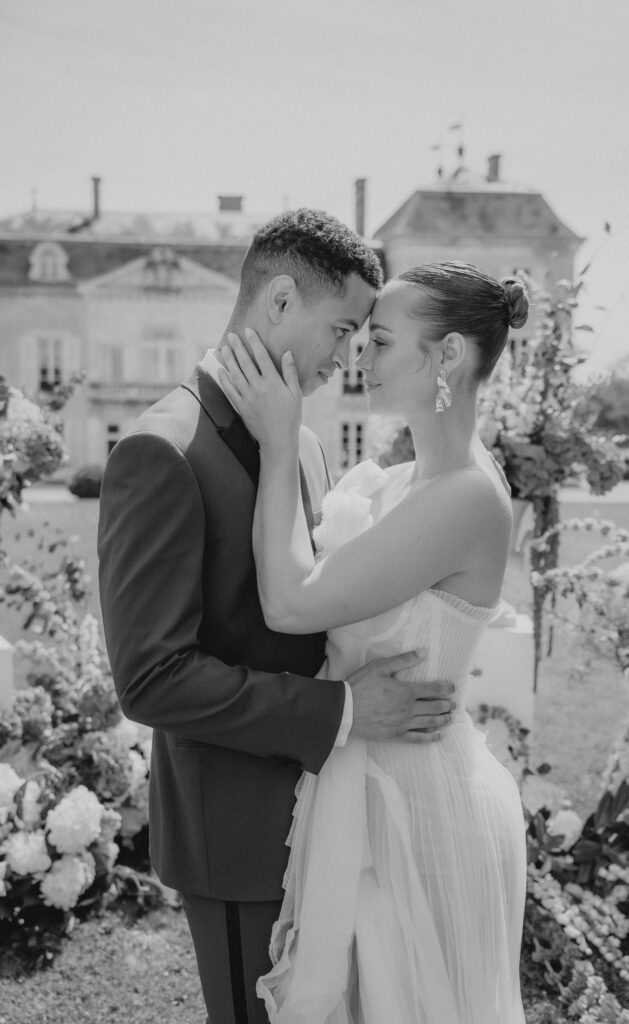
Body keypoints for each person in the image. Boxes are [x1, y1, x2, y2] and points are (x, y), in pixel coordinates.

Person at [97, 209, 456, 1024]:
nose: (348, 355)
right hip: (238, 836)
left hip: (332, 811)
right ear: (281, 301)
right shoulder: (162, 450)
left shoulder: (304, 444)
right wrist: (345, 708)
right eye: (340, 329)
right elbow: (152, 679)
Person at [217, 260, 530, 1024]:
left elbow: (291, 603)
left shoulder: (463, 497)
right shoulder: (408, 480)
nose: (360, 357)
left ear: (446, 356)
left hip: (417, 810)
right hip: (367, 790)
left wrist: (280, 440)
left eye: (382, 340)